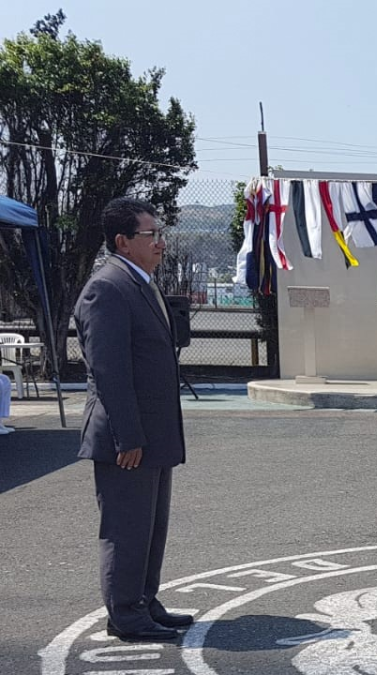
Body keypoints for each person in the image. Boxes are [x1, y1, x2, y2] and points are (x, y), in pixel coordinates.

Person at [75, 197, 190, 643]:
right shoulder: (107, 288)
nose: (160, 242)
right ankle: (125, 613)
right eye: (151, 234)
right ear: (123, 242)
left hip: (152, 435)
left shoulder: (140, 283)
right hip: (127, 438)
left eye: (160, 233)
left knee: (150, 527)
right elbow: (110, 372)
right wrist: (128, 436)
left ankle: (143, 600)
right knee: (126, 528)